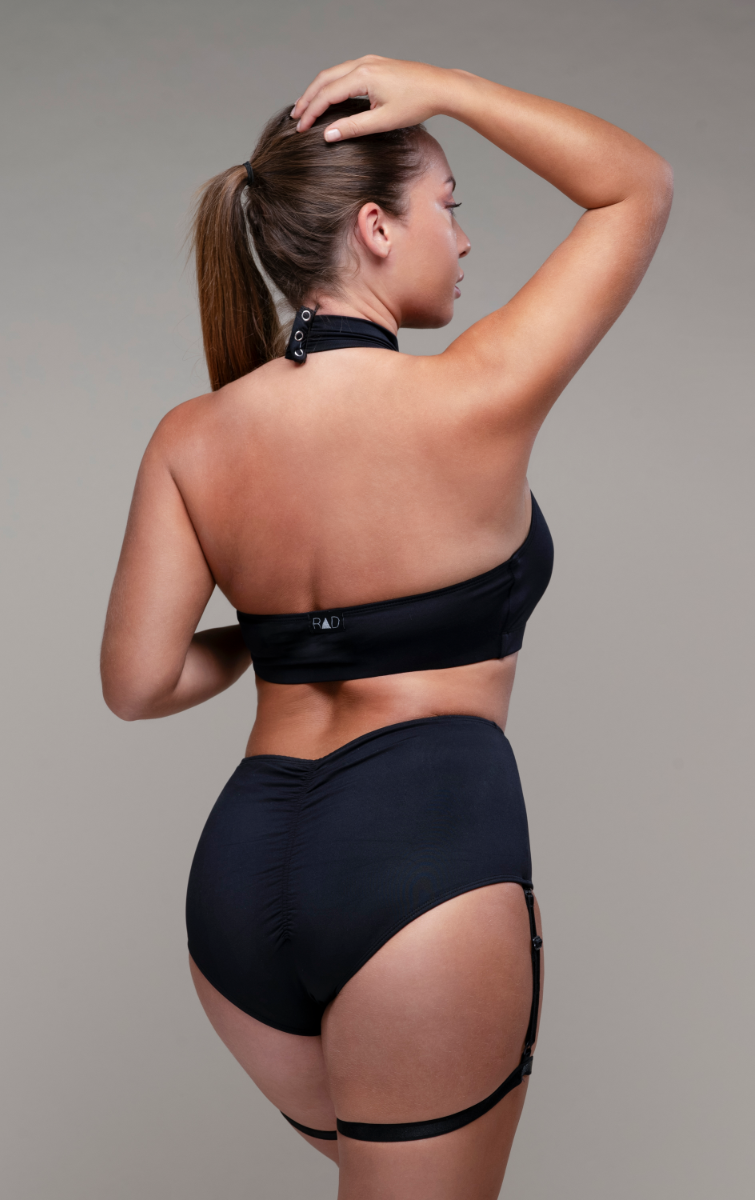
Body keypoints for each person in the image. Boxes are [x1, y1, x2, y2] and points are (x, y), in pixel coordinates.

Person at [100, 55, 672, 1199]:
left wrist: (281, 638)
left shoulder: (192, 436)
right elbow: (633, 185)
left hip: (241, 875)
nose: (460, 239)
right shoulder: (475, 392)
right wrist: (446, 88)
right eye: (446, 207)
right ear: (373, 228)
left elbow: (140, 682)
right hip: (417, 857)